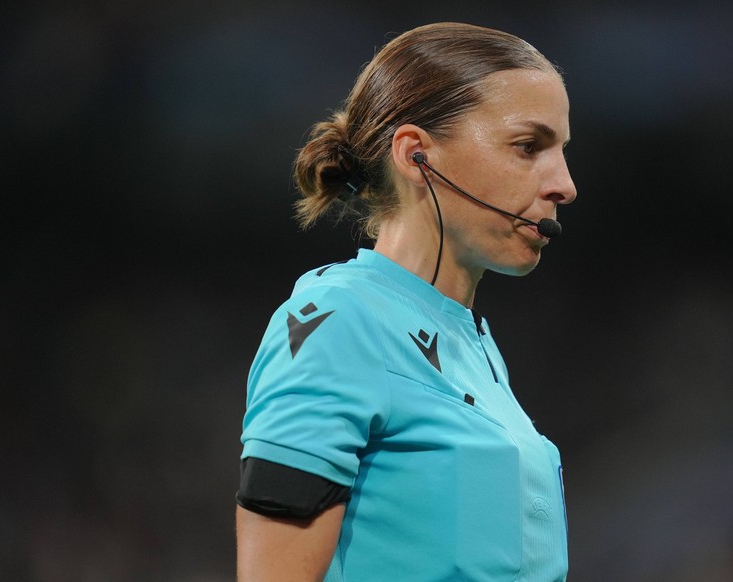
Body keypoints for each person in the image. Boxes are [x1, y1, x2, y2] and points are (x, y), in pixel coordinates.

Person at [236, 22, 577, 581]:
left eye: (561, 150)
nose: (565, 184)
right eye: (528, 146)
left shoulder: (478, 349)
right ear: (417, 155)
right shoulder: (339, 320)